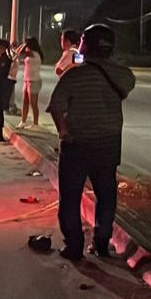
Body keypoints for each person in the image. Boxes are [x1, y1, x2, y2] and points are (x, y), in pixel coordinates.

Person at [47, 24, 135, 260]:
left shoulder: (74, 74)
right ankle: (101, 243)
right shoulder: (123, 75)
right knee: (106, 195)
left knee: (70, 197)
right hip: (108, 144)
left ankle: (74, 246)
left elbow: (55, 106)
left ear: (85, 45)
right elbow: (127, 85)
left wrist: (63, 131)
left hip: (77, 144)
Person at [14, 37, 43, 129]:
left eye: (26, 43)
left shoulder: (33, 54)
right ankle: (23, 121)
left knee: (33, 103)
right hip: (27, 80)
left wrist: (24, 44)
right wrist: (24, 44)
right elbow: (17, 52)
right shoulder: (30, 53)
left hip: (34, 81)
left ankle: (35, 123)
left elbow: (19, 52)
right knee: (25, 102)